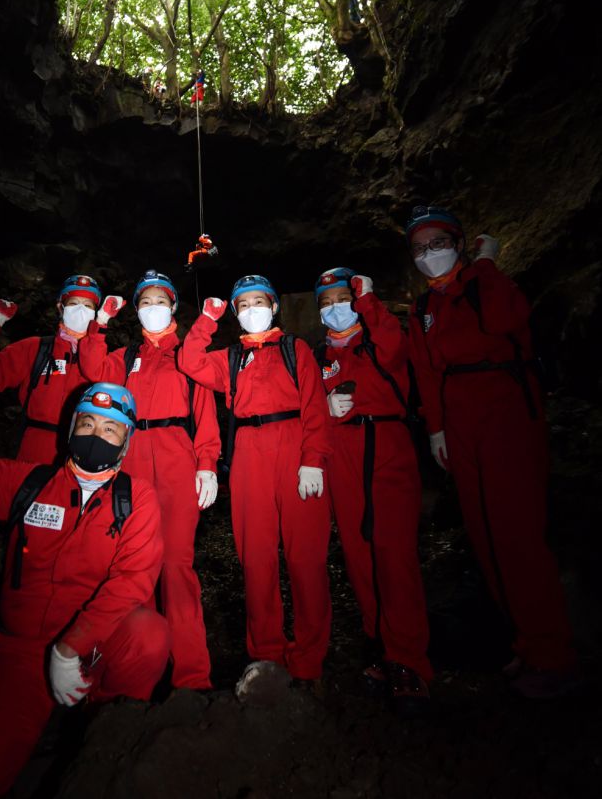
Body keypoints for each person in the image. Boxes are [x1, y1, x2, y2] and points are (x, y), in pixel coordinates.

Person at [0, 354, 170, 799]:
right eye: (89, 424)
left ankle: (105, 723)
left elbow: (133, 579)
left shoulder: (136, 499)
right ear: (71, 429)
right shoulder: (30, 484)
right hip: (22, 647)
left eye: (111, 429)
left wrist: (70, 648)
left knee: (148, 634)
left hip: (92, 642)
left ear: (126, 441)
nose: (98, 435)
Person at [405, 204, 582, 698]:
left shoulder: (486, 285)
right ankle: (526, 644)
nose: (429, 255)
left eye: (438, 243)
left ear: (459, 244)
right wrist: (437, 429)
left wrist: (485, 265)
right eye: (420, 249)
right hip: (459, 422)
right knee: (484, 535)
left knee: (516, 535)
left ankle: (554, 655)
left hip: (504, 410)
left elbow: (509, 318)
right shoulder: (424, 309)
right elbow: (425, 371)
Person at [177, 274, 333, 687]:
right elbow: (189, 361)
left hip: (296, 445)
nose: (251, 311)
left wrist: (313, 459)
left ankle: (308, 658)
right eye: (242, 306)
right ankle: (265, 653)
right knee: (256, 557)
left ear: (274, 305)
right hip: (248, 449)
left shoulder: (293, 348)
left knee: (306, 558)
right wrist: (207, 320)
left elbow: (316, 405)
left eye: (258, 302)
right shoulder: (230, 358)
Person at [78, 269, 220, 691]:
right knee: (131, 567)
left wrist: (207, 463)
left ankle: (192, 677)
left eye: (161, 301)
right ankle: (134, 673)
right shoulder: (124, 358)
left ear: (174, 306)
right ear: (136, 310)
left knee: (176, 567)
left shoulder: (189, 355)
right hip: (132, 462)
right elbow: (91, 370)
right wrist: (99, 325)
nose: (152, 309)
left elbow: (204, 411)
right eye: (145, 302)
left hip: (178, 458)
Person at [314, 266, 432, 715]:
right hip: (342, 453)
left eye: (341, 297)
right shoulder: (318, 356)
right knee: (359, 554)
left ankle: (410, 661)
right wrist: (324, 411)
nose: (334, 307)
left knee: (393, 553)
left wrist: (368, 300)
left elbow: (395, 344)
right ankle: (382, 646)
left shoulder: (378, 340)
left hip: (386, 446)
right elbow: (308, 408)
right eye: (325, 302)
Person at [0, 274, 118, 463]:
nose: (81, 310)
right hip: (33, 450)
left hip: (82, 454)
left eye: (88, 306)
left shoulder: (102, 359)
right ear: (60, 307)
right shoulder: (36, 348)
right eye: (73, 303)